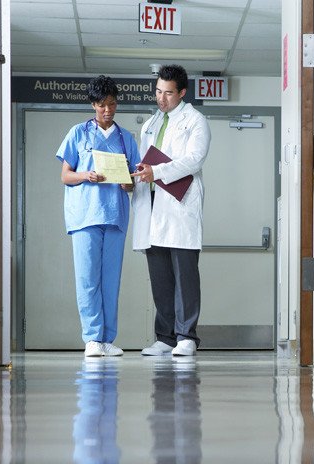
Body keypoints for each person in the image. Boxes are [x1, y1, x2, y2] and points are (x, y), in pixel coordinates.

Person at [56, 75, 140, 357]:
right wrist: (86, 175)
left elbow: (132, 183)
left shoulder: (125, 138)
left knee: (110, 279)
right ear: (93, 105)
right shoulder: (78, 133)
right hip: (85, 216)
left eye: (112, 104)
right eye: (102, 105)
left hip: (115, 216)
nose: (108, 110)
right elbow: (65, 176)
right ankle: (92, 338)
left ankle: (107, 339)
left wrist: (127, 182)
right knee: (88, 278)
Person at [131, 64, 211, 357]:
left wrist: (158, 170)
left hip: (179, 206)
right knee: (161, 276)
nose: (161, 99)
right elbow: (143, 161)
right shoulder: (150, 124)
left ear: (182, 93)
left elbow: (194, 160)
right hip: (152, 206)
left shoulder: (196, 121)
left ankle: (186, 335)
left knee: (184, 275)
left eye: (168, 93)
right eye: (158, 92)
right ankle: (164, 338)